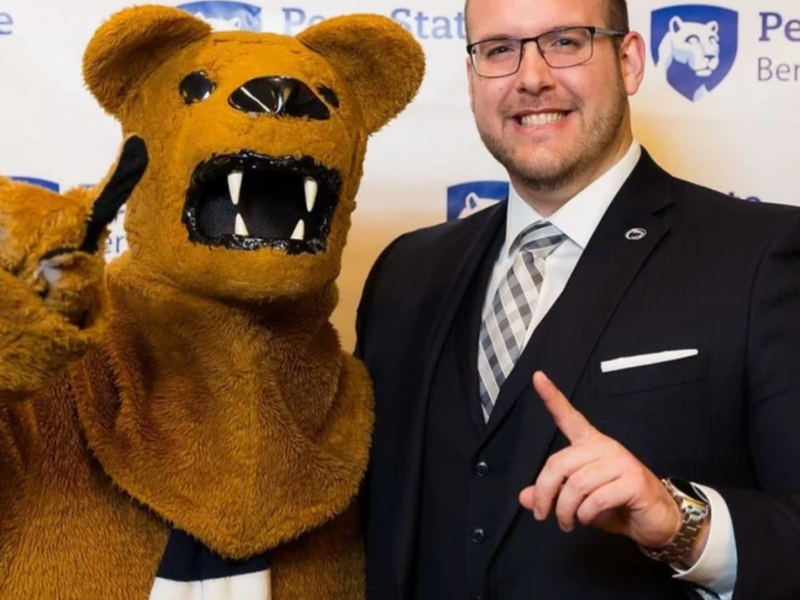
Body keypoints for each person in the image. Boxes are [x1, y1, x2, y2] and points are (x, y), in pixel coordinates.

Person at [354, 0, 800, 598]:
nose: (531, 77)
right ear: (471, 78)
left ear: (630, 60)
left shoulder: (763, 255)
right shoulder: (404, 272)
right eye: (499, 50)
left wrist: (680, 523)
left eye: (565, 41)